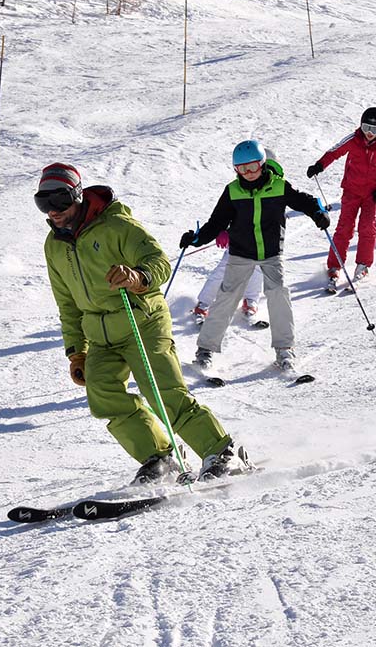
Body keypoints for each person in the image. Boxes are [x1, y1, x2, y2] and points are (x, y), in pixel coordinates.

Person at [37, 162, 252, 483]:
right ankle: (161, 456)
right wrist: (76, 351)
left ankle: (222, 450)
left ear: (78, 196)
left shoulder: (117, 226)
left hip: (142, 322)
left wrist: (138, 277)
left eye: (60, 201)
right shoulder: (54, 247)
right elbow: (67, 304)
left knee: (164, 393)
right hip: (100, 336)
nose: (53, 211)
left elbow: (159, 262)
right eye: (43, 203)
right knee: (102, 394)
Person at [180, 141, 329, 373]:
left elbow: (305, 201)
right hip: (241, 253)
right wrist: (196, 238)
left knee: (278, 295)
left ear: (262, 164)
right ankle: (205, 350)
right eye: (242, 169)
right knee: (226, 298)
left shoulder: (279, 186)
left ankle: (284, 349)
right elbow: (216, 222)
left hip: (271, 254)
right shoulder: (233, 191)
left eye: (252, 167)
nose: (248, 174)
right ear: (235, 170)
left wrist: (319, 213)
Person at [306, 107, 376, 289]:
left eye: (375, 130)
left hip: (370, 195)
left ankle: (363, 265)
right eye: (366, 127)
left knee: (367, 227)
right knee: (345, 227)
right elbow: (334, 152)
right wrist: (319, 165)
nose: (369, 133)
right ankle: (335, 265)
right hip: (351, 192)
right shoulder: (353, 140)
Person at [193, 232, 264, 325]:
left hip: (262, 237)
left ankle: (250, 301)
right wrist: (223, 230)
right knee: (225, 268)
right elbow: (222, 217)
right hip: (239, 234)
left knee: (257, 267)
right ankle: (203, 303)